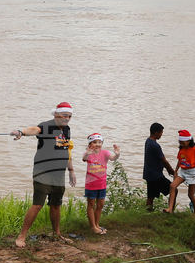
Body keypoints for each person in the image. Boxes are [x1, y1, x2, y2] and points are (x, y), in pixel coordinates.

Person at [11, 102, 77, 247]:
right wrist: (21, 132)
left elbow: (66, 150)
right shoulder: (47, 126)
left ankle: (57, 234)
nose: (67, 118)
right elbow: (34, 129)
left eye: (69, 116)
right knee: (37, 205)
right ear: (56, 114)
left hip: (59, 174)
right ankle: (21, 236)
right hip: (43, 172)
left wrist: (71, 170)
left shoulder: (67, 129)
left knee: (56, 205)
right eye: (64, 115)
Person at [83, 133, 120, 234]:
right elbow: (84, 158)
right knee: (91, 205)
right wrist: (88, 153)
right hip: (91, 184)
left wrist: (117, 154)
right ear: (90, 143)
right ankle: (93, 227)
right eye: (95, 142)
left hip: (102, 184)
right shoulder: (88, 154)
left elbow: (112, 158)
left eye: (99, 142)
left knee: (100, 205)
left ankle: (97, 224)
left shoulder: (105, 153)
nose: (97, 144)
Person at [165, 130, 195, 214]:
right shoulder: (182, 149)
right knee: (172, 186)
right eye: (180, 143)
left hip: (192, 173)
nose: (181, 145)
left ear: (189, 141)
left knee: (190, 195)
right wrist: (176, 171)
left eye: (183, 143)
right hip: (183, 171)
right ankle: (170, 208)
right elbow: (179, 160)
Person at [143, 123, 175, 211]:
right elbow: (164, 160)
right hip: (156, 175)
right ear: (156, 133)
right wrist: (172, 171)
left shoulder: (148, 141)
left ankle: (148, 213)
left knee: (151, 196)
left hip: (149, 174)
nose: (161, 135)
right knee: (174, 190)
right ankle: (170, 209)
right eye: (161, 133)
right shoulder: (155, 146)